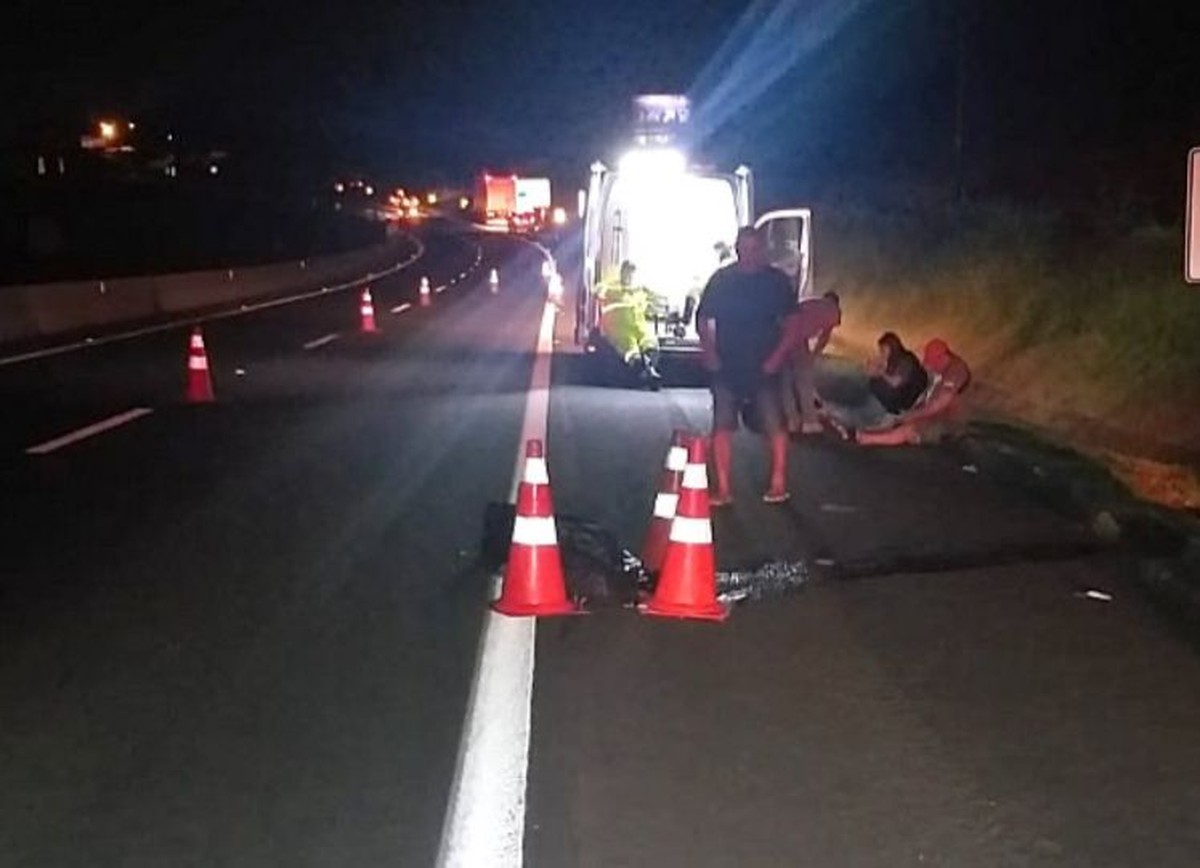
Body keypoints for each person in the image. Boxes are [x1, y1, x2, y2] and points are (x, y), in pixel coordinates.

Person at [696, 226, 801, 505]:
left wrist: (778, 357)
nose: (749, 255)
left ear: (762, 249)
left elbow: (793, 325)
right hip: (727, 364)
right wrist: (709, 352)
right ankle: (724, 488)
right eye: (744, 249)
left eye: (755, 249)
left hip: (766, 364)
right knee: (722, 426)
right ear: (737, 249)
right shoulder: (722, 279)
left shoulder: (775, 282)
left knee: (773, 425)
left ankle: (778, 482)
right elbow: (703, 318)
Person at [856, 338, 972, 446]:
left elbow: (938, 404)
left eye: (933, 363)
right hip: (933, 413)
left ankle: (868, 439)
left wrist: (913, 415)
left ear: (943, 358)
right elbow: (928, 396)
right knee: (900, 420)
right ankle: (875, 431)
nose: (931, 367)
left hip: (948, 422)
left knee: (910, 429)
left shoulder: (956, 372)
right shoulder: (942, 370)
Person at [782, 290, 841, 435]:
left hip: (780, 334)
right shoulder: (833, 310)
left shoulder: (811, 303)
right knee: (804, 380)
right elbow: (824, 337)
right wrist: (814, 356)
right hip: (795, 337)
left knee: (785, 380)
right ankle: (810, 422)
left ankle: (793, 421)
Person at [596, 261, 661, 386]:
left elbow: (657, 299)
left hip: (639, 325)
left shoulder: (640, 290)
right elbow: (598, 291)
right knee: (631, 351)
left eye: (631, 273)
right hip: (619, 327)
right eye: (626, 272)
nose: (629, 276)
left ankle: (649, 369)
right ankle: (646, 372)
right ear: (621, 272)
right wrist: (611, 289)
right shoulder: (611, 287)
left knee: (650, 343)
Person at [867, 331, 928, 414]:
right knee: (873, 381)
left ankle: (896, 411)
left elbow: (896, 382)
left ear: (891, 347)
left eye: (883, 349)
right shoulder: (894, 359)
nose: (881, 352)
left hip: (910, 397)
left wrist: (881, 372)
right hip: (904, 392)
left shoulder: (906, 359)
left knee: (875, 383)